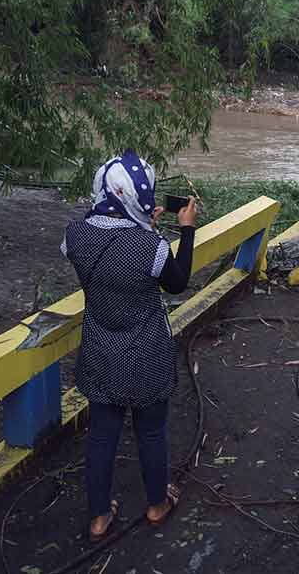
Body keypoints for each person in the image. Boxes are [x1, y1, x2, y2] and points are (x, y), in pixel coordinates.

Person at [60, 149, 197, 541]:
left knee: (102, 435)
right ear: (137, 196)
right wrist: (185, 230)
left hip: (101, 352)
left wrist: (141, 224)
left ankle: (99, 517)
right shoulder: (150, 249)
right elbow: (176, 281)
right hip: (147, 355)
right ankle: (157, 504)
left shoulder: (73, 237)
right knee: (151, 433)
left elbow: (109, 248)